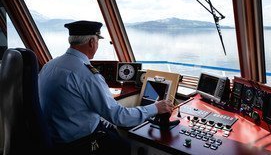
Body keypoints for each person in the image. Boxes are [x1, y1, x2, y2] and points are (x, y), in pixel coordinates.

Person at [38, 20, 174, 154]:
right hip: (79, 143)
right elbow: (119, 117)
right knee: (126, 147)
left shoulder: (49, 65)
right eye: (98, 40)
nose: (97, 45)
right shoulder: (87, 75)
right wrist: (156, 107)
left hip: (53, 138)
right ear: (92, 42)